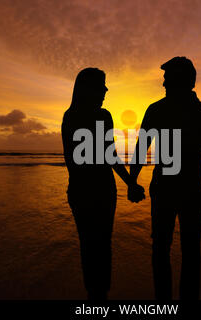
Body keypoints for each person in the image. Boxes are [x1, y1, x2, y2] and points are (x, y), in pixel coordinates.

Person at [130, 57, 201, 300]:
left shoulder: (161, 110)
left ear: (183, 80)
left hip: (176, 190)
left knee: (165, 250)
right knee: (184, 251)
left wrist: (132, 181)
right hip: (178, 189)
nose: (164, 84)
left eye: (167, 78)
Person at [61, 68, 145, 300]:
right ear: (88, 89)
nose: (106, 90)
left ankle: (97, 295)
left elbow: (103, 156)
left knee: (91, 245)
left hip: (88, 190)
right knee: (98, 245)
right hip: (94, 191)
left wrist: (130, 182)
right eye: (101, 85)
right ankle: (98, 295)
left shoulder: (74, 116)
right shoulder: (95, 116)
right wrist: (130, 182)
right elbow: (108, 156)